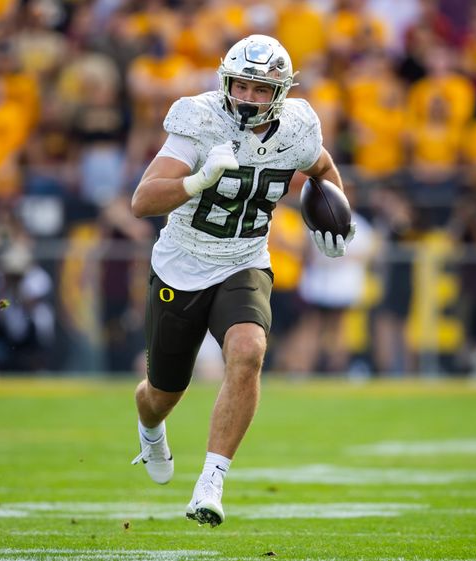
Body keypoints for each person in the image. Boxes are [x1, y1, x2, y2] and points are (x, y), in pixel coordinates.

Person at [128, 34, 355, 527]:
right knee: (163, 392)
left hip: (244, 258)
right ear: (226, 82)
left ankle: (211, 482)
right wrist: (197, 180)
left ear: (280, 92)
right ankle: (150, 433)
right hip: (182, 263)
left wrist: (336, 217)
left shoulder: (298, 126)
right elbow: (142, 200)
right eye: (241, 86)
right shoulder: (199, 119)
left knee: (249, 350)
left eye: (259, 89)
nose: (248, 97)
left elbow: (323, 168)